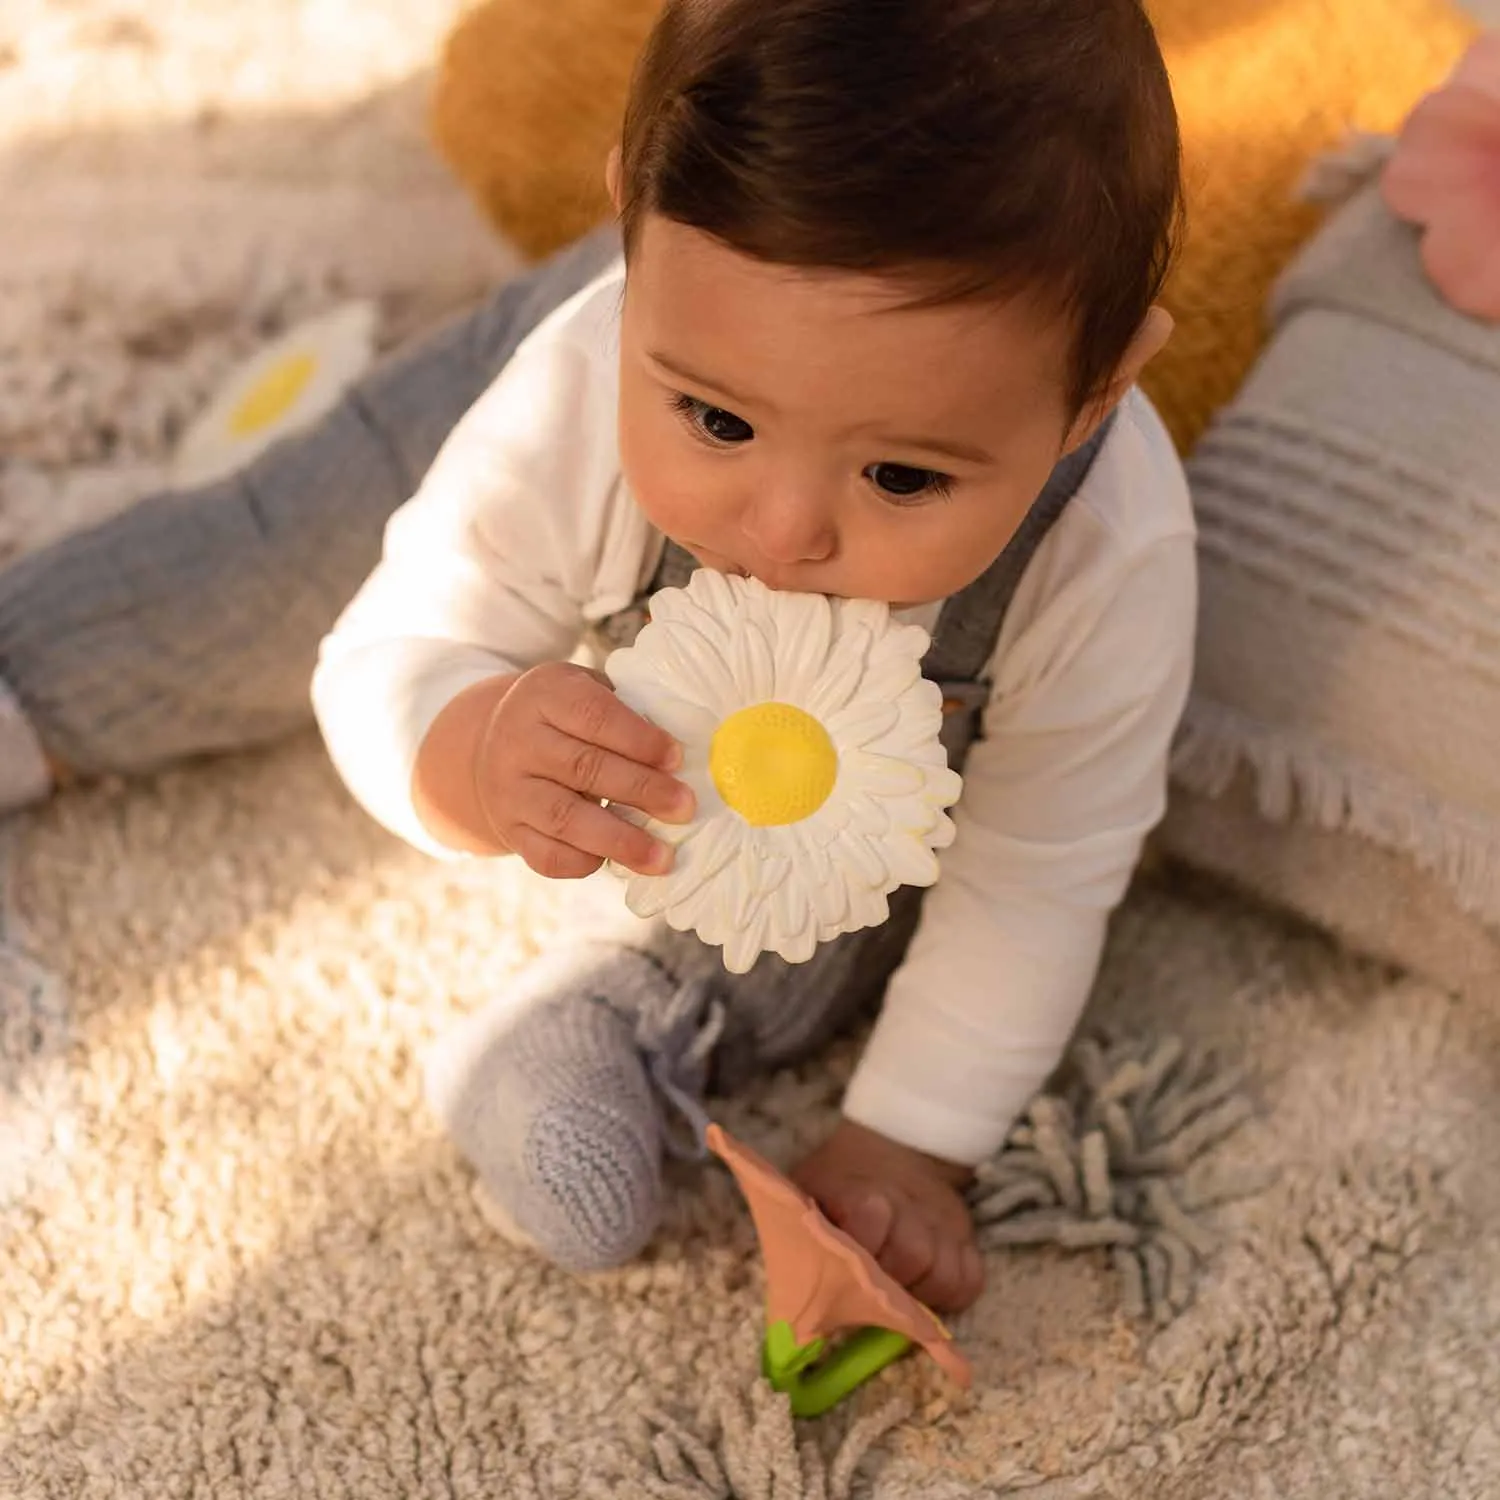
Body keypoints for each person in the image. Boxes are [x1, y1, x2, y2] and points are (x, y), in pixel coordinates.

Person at [4, 0, 1193, 1317]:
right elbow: (395, 641)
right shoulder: (587, 370)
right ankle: (31, 689)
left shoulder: (1108, 551)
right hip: (588, 381)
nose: (785, 530)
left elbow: (1036, 883)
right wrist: (463, 745)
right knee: (292, 541)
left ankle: (591, 1026)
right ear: (631, 230)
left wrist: (907, 1144)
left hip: (734, 396)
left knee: (806, 933)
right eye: (720, 424)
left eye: (903, 474)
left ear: (1102, 389)